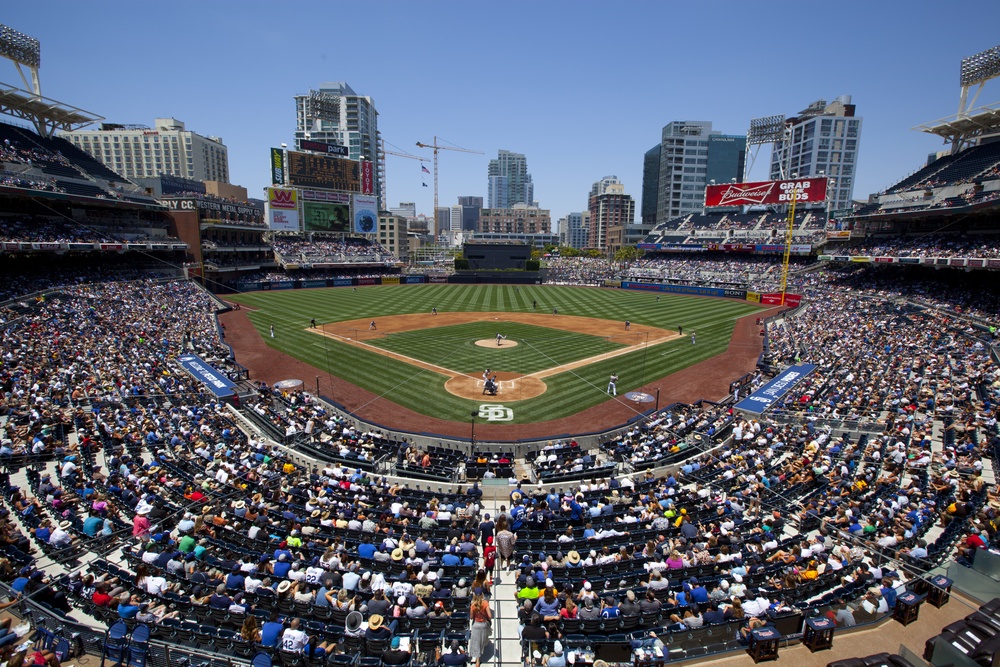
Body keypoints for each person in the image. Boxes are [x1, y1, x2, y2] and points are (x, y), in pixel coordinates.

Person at [468, 592, 492, 667]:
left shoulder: (473, 605)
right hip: (483, 624)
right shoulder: (485, 603)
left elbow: (471, 617)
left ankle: (477, 660)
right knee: (482, 640)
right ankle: (478, 659)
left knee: (476, 643)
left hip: (476, 625)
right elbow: (490, 616)